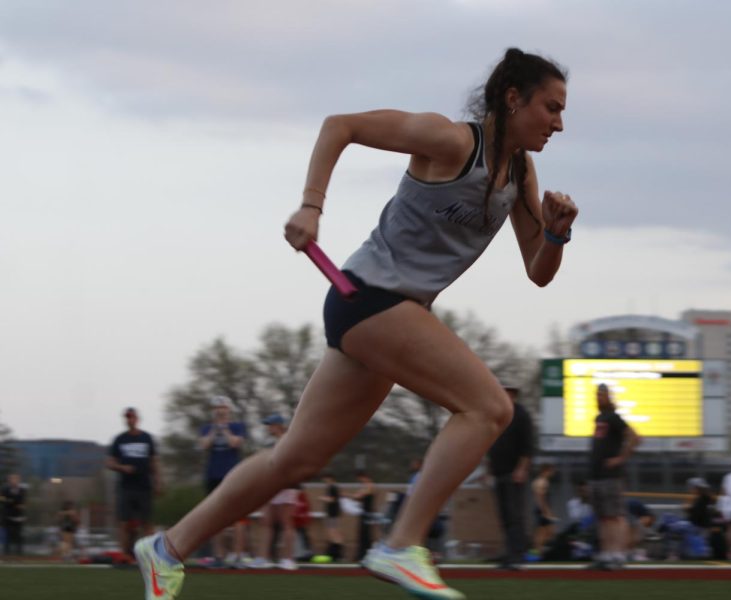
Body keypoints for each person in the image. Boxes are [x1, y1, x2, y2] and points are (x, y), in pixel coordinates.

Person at [135, 47, 575, 600]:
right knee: (489, 408)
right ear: (513, 99)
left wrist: (555, 233)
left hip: (390, 313)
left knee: (295, 460)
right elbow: (339, 126)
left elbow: (538, 271)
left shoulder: (519, 173)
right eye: (551, 108)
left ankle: (167, 548)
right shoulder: (452, 142)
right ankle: (401, 544)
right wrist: (311, 206)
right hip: (368, 297)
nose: (559, 123)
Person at [587, 383, 641, 570]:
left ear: (608, 397)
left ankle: (617, 555)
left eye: (601, 395)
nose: (598, 398)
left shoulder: (614, 418)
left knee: (614, 516)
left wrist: (621, 458)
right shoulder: (599, 418)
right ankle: (606, 554)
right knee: (603, 517)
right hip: (597, 476)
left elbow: (635, 436)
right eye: (597, 395)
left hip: (611, 477)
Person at [486, 382, 534, 569]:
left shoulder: (521, 415)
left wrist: (522, 468)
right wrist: (489, 467)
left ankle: (517, 554)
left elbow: (527, 446)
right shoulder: (499, 414)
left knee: (515, 515)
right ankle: (509, 551)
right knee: (504, 515)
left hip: (513, 472)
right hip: (499, 470)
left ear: (513, 393)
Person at [198, 395, 247, 567]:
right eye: (217, 408)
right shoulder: (206, 428)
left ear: (229, 409)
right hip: (213, 476)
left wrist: (224, 429)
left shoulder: (237, 426)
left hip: (233, 475)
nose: (220, 410)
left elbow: (235, 443)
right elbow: (204, 445)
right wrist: (214, 430)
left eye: (223, 407)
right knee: (215, 517)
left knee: (237, 517)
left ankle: (238, 555)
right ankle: (219, 556)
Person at [107, 407, 161, 558]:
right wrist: (121, 467)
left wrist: (158, 481)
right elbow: (109, 462)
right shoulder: (120, 439)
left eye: (132, 417)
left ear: (137, 419)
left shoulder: (147, 438)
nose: (130, 420)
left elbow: (154, 462)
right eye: (127, 418)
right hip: (126, 487)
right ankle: (125, 554)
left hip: (144, 486)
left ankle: (151, 554)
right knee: (125, 523)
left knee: (147, 522)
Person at [249, 414, 297, 570]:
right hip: (272, 485)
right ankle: (263, 557)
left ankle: (288, 559)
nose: (268, 428)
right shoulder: (270, 442)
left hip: (287, 484)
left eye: (270, 425)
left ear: (278, 425)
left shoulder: (288, 440)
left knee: (286, 523)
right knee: (266, 522)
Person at [530, 463, 557, 558]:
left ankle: (538, 552)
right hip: (542, 509)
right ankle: (536, 554)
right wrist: (546, 511)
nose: (553, 473)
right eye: (552, 471)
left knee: (547, 532)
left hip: (542, 509)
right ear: (546, 470)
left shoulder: (539, 481)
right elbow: (540, 497)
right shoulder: (542, 482)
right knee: (542, 534)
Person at [319, 472, 344, 561]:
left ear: (330, 478)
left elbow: (332, 499)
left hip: (333, 513)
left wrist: (323, 498)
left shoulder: (333, 487)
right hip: (331, 513)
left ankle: (337, 552)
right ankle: (335, 551)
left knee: (333, 532)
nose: (324, 481)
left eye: (325, 479)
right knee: (332, 532)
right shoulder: (329, 488)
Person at [352, 471, 376, 562]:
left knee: (366, 534)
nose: (360, 481)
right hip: (364, 512)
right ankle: (361, 554)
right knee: (362, 533)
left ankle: (366, 554)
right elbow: (358, 497)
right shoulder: (364, 486)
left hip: (368, 513)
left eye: (360, 479)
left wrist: (353, 495)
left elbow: (359, 496)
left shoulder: (370, 486)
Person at [1, 473, 26, 556]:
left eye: (16, 479)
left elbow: (22, 503)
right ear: (9, 480)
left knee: (19, 537)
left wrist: (11, 502)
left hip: (18, 517)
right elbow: (3, 500)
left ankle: (19, 555)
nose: (14, 481)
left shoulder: (22, 490)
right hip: (7, 517)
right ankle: (6, 555)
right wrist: (13, 502)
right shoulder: (5, 490)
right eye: (13, 479)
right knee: (7, 537)